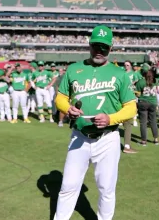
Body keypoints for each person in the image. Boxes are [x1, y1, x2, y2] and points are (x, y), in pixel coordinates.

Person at [54, 25, 137, 220]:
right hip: (79, 137)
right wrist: (68, 109)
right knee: (68, 186)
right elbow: (60, 98)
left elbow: (131, 107)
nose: (99, 51)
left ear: (111, 48)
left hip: (107, 138)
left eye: (104, 47)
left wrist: (111, 118)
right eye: (96, 46)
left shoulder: (120, 74)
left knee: (106, 188)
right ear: (89, 45)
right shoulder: (74, 69)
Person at [135, 67, 159, 145]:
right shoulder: (155, 81)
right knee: (153, 121)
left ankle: (144, 141)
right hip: (153, 102)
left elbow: (137, 94)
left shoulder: (141, 82)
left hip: (143, 102)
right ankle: (156, 139)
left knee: (143, 122)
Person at [122, 60, 138, 153]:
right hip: (126, 98)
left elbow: (137, 82)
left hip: (131, 96)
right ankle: (127, 146)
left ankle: (135, 120)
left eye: (128, 65)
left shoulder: (134, 74)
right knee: (127, 123)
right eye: (125, 65)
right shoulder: (123, 74)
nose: (126, 66)